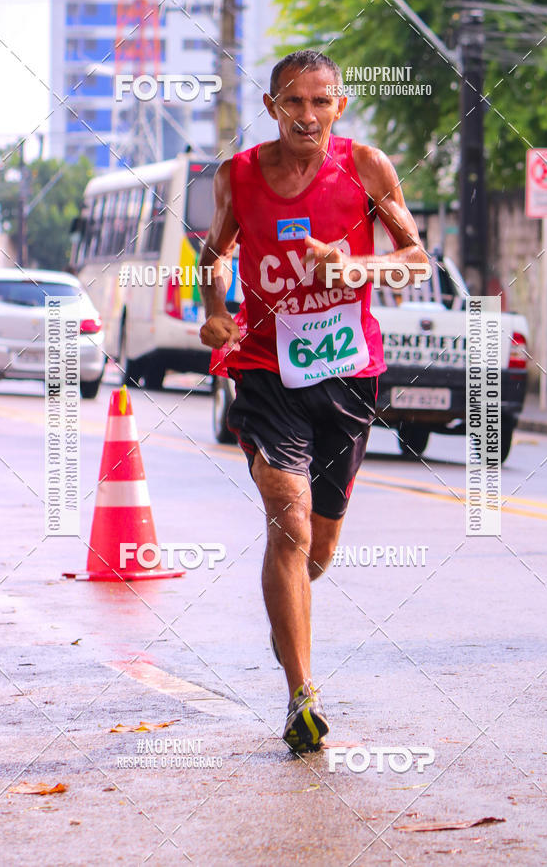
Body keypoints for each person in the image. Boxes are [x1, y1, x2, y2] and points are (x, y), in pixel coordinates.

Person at [199, 50, 428, 753]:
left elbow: (415, 258)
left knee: (317, 548)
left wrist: (357, 264)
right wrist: (215, 310)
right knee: (288, 521)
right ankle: (301, 695)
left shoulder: (366, 168)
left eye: (321, 102)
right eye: (293, 103)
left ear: (340, 106)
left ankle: (287, 605)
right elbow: (216, 254)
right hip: (267, 370)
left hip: (348, 378)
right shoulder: (238, 175)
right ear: (271, 109)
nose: (308, 116)